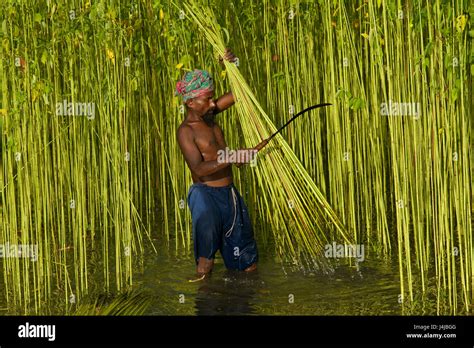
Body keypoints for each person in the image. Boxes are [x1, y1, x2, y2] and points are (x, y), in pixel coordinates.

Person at [175, 48, 268, 279]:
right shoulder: (186, 132)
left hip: (230, 195)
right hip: (205, 197)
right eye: (207, 98)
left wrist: (232, 65)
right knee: (206, 263)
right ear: (190, 102)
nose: (212, 103)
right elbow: (198, 168)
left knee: (246, 263)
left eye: (212, 97)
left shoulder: (210, 114)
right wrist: (233, 156)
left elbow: (240, 94)